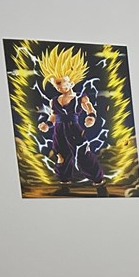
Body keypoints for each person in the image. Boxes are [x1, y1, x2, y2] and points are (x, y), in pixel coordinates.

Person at [37, 45, 107, 196]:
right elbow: (54, 116)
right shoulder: (54, 100)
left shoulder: (80, 97)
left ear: (71, 83)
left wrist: (91, 117)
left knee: (83, 155)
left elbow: (90, 109)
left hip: (74, 129)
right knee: (61, 156)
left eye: (62, 82)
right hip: (59, 130)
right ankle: (64, 184)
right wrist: (47, 124)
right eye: (56, 83)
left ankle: (99, 183)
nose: (59, 86)